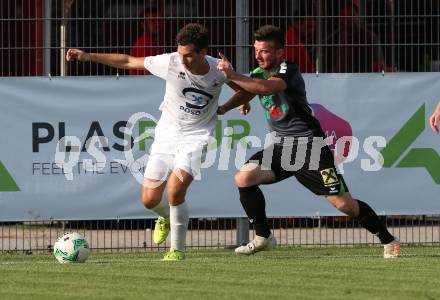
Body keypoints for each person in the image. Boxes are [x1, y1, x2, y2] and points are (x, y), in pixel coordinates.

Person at [217, 25, 400, 258]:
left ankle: (389, 240)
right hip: (283, 148)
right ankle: (264, 237)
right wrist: (225, 107)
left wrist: (232, 75)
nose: (258, 55)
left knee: (344, 205)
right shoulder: (258, 72)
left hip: (309, 148)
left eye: (264, 51)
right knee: (244, 177)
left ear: (280, 53)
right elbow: (249, 90)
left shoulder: (287, 69)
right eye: (256, 50)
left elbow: (265, 87)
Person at [66, 23, 241, 261]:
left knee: (176, 191)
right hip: (167, 135)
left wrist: (234, 103)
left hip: (197, 136)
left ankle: (176, 251)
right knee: (149, 200)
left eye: (189, 55)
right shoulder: (170, 62)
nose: (184, 60)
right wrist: (88, 56)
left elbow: (247, 87)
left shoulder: (219, 70)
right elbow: (129, 61)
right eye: (181, 54)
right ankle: (166, 217)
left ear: (203, 52)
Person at [129, 9, 165, 75]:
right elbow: (147, 70)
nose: (157, 24)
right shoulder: (144, 43)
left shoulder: (154, 41)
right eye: (152, 21)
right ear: (143, 25)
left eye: (159, 20)